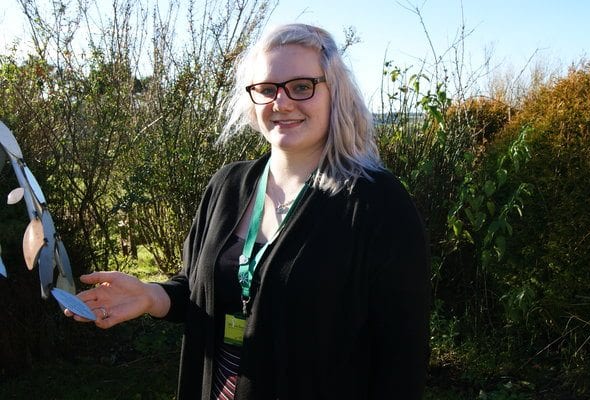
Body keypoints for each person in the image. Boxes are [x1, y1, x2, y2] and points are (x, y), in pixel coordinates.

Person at [68, 23, 431, 400]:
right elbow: (197, 288)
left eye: (301, 87)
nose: (282, 103)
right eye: (267, 89)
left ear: (334, 93)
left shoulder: (377, 204)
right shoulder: (227, 185)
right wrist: (150, 296)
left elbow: (402, 359)